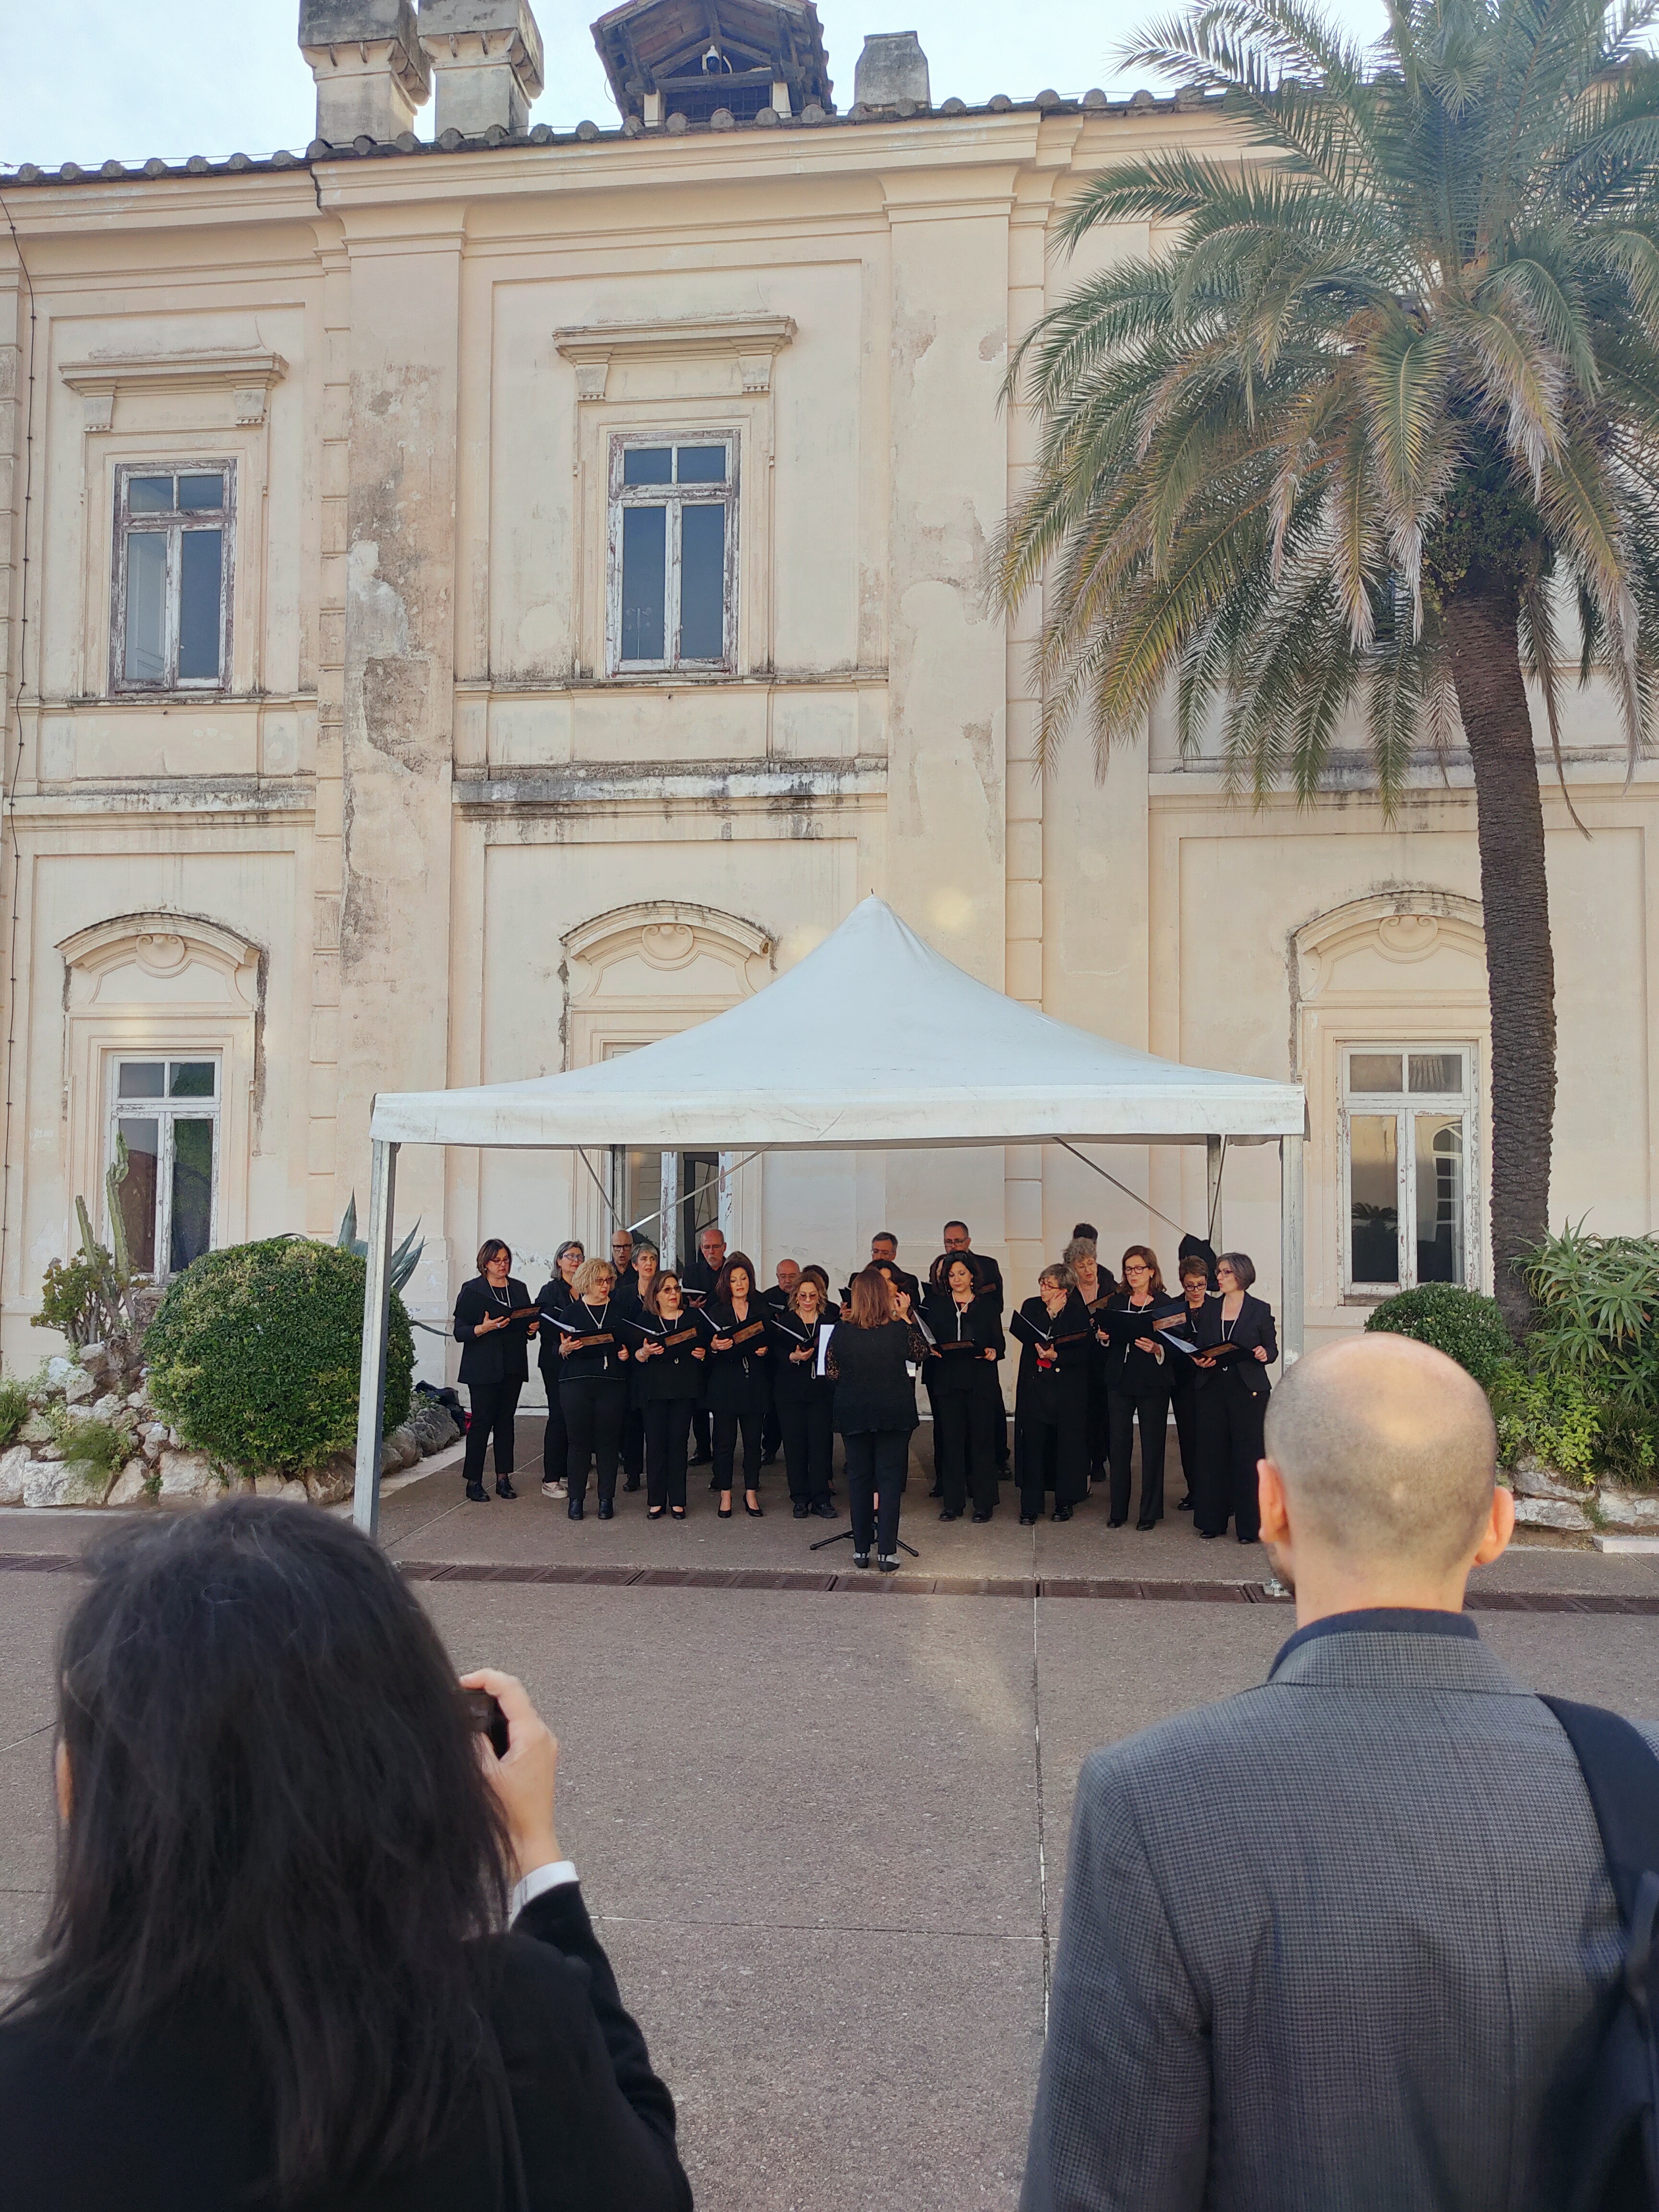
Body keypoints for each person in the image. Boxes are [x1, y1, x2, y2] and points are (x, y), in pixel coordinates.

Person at [1021, 1332, 1659, 2212]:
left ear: (1270, 1504)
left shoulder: (1152, 1797)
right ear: (1498, 1525)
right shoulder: (1640, 1776)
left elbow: (1100, 2186)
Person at [0, 1498, 692, 2212]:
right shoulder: (511, 2020)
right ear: (413, 1774)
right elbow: (652, 2185)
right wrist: (533, 1854)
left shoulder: (25, 2100)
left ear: (74, 1786)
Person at [827, 1266, 926, 1571]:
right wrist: (907, 1316)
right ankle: (886, 1552)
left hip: (854, 1410)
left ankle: (860, 1551)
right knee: (889, 1480)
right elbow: (922, 1352)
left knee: (858, 1479)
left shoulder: (841, 1330)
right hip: (893, 1412)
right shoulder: (898, 1330)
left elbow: (832, 1372)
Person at [1192, 1250, 1277, 1543]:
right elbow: (1202, 1345)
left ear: (1241, 1275)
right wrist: (1200, 1360)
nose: (1220, 1276)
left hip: (1248, 1391)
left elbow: (1271, 1350)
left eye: (1226, 1272)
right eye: (1219, 1271)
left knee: (1247, 1457)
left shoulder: (1260, 1309)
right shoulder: (1209, 1309)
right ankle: (1212, 1522)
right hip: (1213, 1387)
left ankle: (1249, 1527)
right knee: (1212, 1455)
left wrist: (1264, 1354)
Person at [1099, 1244, 1179, 1530]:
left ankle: (1149, 1512)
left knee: (1152, 1446)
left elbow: (1178, 1344)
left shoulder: (1166, 1304)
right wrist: (1104, 1336)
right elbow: (1106, 1339)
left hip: (1152, 1381)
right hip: (1120, 1380)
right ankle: (1118, 1510)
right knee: (1119, 1446)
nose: (1133, 1274)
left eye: (1139, 1269)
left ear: (1151, 1271)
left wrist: (1158, 1348)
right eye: (1129, 1269)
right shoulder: (1117, 1301)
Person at [922, 1253, 1004, 1522]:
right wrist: (931, 1350)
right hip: (948, 1381)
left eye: (961, 1274)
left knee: (981, 1441)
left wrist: (993, 1351)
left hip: (979, 1380)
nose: (956, 1280)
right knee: (952, 1443)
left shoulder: (987, 1305)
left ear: (972, 1276)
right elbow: (928, 1339)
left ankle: (983, 1503)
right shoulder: (938, 1306)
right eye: (951, 1275)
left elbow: (998, 1343)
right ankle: (952, 1503)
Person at [453, 1238, 535, 1504]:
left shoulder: (519, 1289)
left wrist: (531, 1329)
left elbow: (525, 1324)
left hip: (512, 1364)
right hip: (482, 1366)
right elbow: (460, 1332)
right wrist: (482, 1329)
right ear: (485, 1263)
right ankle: (473, 1481)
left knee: (506, 1422)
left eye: (506, 1260)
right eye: (497, 1261)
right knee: (481, 1423)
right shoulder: (473, 1289)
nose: (503, 1265)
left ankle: (503, 1478)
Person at [1009, 1263, 1092, 1525]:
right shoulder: (1032, 1306)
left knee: (1064, 1447)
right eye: (1042, 1283)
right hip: (1036, 1386)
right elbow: (1032, 1335)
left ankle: (1064, 1501)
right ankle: (1030, 1505)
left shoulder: (1078, 1312)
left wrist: (1058, 1356)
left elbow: (1084, 1352)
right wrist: (1049, 1314)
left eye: (1050, 1286)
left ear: (1065, 1291)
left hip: (1065, 1390)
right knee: (1033, 1444)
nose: (1043, 1289)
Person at [555, 1256, 630, 1522]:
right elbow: (559, 1349)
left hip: (611, 1383)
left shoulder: (620, 1310)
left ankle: (605, 1500)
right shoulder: (571, 1313)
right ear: (586, 1282)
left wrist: (625, 1354)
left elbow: (629, 1346)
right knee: (578, 1443)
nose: (605, 1286)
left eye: (608, 1280)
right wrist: (564, 1349)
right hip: (576, 1383)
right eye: (599, 1281)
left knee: (608, 1444)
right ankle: (576, 1500)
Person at [626, 1268, 704, 1521]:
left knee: (679, 1444)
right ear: (656, 1295)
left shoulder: (693, 1317)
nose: (674, 1294)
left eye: (677, 1289)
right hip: (654, 1390)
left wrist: (704, 1354)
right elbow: (634, 1357)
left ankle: (678, 1500)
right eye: (667, 1290)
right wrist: (645, 1353)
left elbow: (708, 1349)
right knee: (657, 1445)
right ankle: (656, 1500)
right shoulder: (645, 1320)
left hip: (684, 1388)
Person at [699, 1251, 770, 1519]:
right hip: (725, 1386)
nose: (739, 1284)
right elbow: (704, 1350)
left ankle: (751, 1492)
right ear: (726, 1284)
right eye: (734, 1280)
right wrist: (714, 1347)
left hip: (755, 1385)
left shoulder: (762, 1309)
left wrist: (765, 1349)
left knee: (753, 1443)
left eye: (744, 1279)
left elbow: (773, 1341)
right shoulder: (715, 1312)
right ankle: (725, 1493)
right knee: (724, 1443)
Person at [769, 1274, 838, 1519]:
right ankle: (799, 1497)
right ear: (795, 1297)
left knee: (820, 1445)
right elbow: (774, 1353)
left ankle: (821, 1498)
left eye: (812, 1295)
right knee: (795, 1444)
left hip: (820, 1391)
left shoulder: (829, 1322)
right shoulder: (785, 1322)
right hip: (791, 1392)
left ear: (820, 1296)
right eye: (803, 1295)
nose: (808, 1300)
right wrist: (792, 1357)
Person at [943, 1220, 1008, 1470]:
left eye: (958, 1241)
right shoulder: (941, 1265)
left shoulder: (988, 1265)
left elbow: (997, 1304)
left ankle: (999, 1458)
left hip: (982, 1343)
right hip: (952, 1349)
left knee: (991, 1408)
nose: (953, 1246)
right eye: (949, 1241)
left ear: (968, 1242)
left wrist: (974, 1309)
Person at [532, 1239, 583, 1502]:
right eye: (570, 1256)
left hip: (580, 1361)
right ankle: (551, 1478)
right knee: (558, 1416)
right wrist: (561, 1344)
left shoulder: (586, 1290)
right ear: (559, 1261)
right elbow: (543, 1324)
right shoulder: (550, 1290)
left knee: (575, 1418)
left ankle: (568, 1474)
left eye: (579, 1256)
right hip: (555, 1360)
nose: (575, 1260)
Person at [1063, 1232, 1116, 1485]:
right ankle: (1080, 1460)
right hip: (1077, 1359)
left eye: (1091, 1263)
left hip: (1104, 1358)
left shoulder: (1109, 1287)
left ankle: (1099, 1460)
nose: (1088, 1270)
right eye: (1081, 1265)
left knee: (1102, 1411)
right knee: (1079, 1411)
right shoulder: (1067, 1291)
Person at [1168, 1254, 1214, 1510]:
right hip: (1184, 1380)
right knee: (1188, 1437)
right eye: (1190, 1286)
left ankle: (1218, 1492)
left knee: (1214, 1438)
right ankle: (1195, 1490)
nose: (1196, 1291)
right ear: (1182, 1283)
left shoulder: (1217, 1307)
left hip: (1211, 1379)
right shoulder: (1174, 1308)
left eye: (1201, 1285)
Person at [680, 1225, 726, 1467]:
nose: (711, 1252)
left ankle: (721, 1448)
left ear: (724, 1248)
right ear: (701, 1249)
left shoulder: (732, 1271)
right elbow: (683, 1304)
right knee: (698, 1398)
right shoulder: (691, 1272)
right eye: (707, 1247)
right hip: (699, 1339)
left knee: (721, 1399)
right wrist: (691, 1308)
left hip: (724, 1340)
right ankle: (702, 1448)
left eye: (716, 1247)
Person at [615, 1240, 657, 1492]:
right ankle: (633, 1473)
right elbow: (619, 1326)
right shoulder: (623, 1294)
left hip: (657, 1364)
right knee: (632, 1423)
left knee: (655, 1423)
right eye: (644, 1260)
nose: (649, 1264)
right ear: (635, 1265)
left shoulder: (664, 1290)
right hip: (631, 1363)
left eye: (653, 1260)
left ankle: (656, 1472)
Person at [759, 1258, 801, 1465]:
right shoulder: (768, 1297)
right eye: (783, 1277)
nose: (787, 1281)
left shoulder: (805, 1296)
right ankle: (769, 1448)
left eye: (792, 1276)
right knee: (773, 1409)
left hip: (801, 1359)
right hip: (774, 1361)